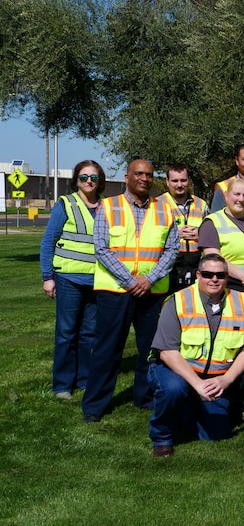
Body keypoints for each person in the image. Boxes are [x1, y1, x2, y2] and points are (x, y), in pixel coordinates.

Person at [83, 159, 179, 422]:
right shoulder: (109, 205)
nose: (144, 179)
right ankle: (94, 406)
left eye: (149, 175)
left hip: (153, 291)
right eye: (138, 174)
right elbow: (101, 248)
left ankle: (145, 397)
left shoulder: (165, 208)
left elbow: (172, 250)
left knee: (150, 349)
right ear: (127, 177)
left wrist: (149, 279)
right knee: (107, 348)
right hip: (115, 290)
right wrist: (130, 281)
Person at [147, 253, 244, 457]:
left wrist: (225, 380)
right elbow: (167, 352)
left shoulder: (242, 302)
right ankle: (162, 437)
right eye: (207, 274)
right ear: (198, 275)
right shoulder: (177, 301)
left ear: (226, 277)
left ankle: (184, 409)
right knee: (173, 389)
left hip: (216, 378)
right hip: (175, 371)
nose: (214, 279)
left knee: (218, 434)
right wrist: (197, 384)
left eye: (220, 275)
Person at [40, 160, 106, 399]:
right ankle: (62, 385)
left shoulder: (106, 207)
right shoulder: (65, 204)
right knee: (67, 332)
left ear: (100, 181)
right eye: (84, 177)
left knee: (89, 333)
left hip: (97, 280)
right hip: (68, 277)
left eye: (94, 177)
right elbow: (48, 242)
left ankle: (85, 380)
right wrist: (48, 277)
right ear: (76, 180)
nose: (89, 181)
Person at [160, 163, 209, 293]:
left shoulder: (201, 204)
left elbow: (212, 234)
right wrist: (174, 233)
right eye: (175, 181)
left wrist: (201, 234)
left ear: (189, 181)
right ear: (167, 182)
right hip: (169, 266)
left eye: (183, 180)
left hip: (195, 266)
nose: (179, 185)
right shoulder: (158, 204)